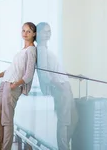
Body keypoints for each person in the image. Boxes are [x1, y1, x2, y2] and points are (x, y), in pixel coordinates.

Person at [0, 22, 38, 150]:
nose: (25, 33)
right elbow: (9, 71)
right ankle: (4, 145)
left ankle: (5, 148)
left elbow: (29, 75)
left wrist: (15, 85)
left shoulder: (31, 50)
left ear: (34, 34)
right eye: (23, 30)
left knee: (6, 120)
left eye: (28, 31)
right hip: (4, 84)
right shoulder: (22, 51)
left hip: (12, 87)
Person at [36, 22, 78, 150]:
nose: (48, 34)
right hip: (61, 89)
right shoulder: (41, 50)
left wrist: (75, 76)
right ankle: (63, 147)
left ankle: (65, 145)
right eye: (45, 31)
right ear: (37, 34)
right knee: (64, 122)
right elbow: (44, 74)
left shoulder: (46, 50)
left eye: (49, 31)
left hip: (64, 87)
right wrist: (60, 86)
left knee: (73, 120)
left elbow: (57, 71)